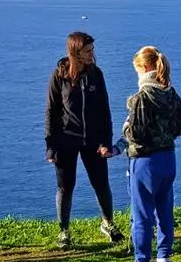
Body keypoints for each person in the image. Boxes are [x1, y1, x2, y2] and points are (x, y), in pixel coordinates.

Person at [45, 31, 123, 247]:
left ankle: (108, 223)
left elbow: (104, 111)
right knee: (65, 187)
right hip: (65, 140)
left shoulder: (96, 74)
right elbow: (51, 112)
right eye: (87, 51)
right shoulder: (59, 76)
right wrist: (50, 146)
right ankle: (64, 232)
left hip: (94, 141)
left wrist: (106, 142)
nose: (91, 54)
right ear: (75, 52)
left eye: (92, 50)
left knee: (101, 183)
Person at [119, 46, 181, 262]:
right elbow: (178, 129)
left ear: (144, 68)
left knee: (142, 214)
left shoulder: (140, 98)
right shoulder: (173, 95)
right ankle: (163, 260)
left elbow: (134, 135)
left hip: (144, 162)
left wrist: (125, 127)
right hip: (168, 158)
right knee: (165, 211)